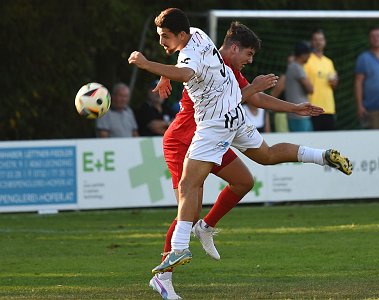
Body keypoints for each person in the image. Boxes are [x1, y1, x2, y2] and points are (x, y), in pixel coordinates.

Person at [128, 8, 352, 298]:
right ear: (233, 48)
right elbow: (198, 75)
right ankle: (165, 275)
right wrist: (160, 71)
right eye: (248, 54)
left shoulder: (204, 48)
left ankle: (203, 229)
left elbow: (243, 95)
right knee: (190, 203)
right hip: (188, 138)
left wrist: (293, 106)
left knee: (243, 181)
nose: (249, 61)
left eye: (166, 37)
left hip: (219, 129)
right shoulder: (197, 48)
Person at [304, 29, 338, 131]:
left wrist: (335, 82)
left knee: (329, 142)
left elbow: (334, 85)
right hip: (313, 108)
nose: (318, 42)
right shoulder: (307, 60)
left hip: (329, 108)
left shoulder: (329, 62)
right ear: (311, 42)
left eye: (321, 39)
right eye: (315, 39)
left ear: (325, 42)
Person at [285, 41, 314, 132]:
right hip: (300, 114)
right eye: (309, 53)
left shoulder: (291, 66)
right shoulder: (297, 68)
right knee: (304, 143)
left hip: (294, 113)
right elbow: (310, 89)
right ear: (303, 54)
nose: (310, 56)